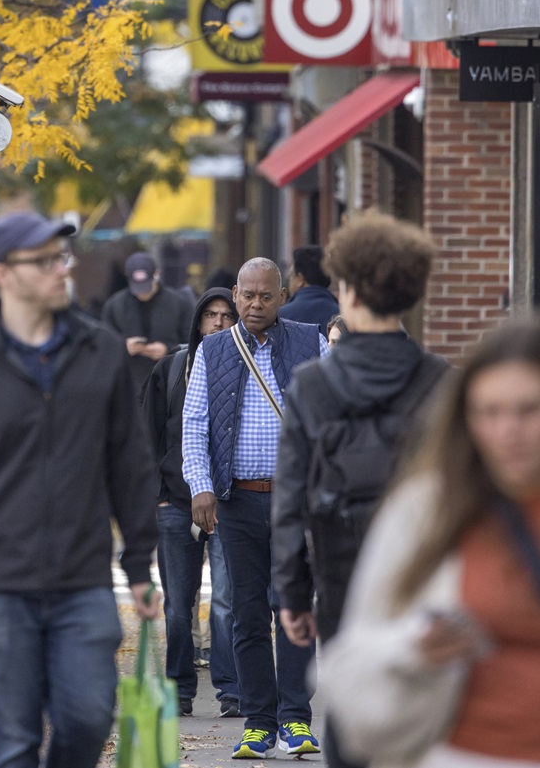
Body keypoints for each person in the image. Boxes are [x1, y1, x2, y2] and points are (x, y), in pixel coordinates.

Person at [0, 211, 159, 768]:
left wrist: (140, 564)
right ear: (1, 273)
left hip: (83, 583)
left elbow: (130, 464)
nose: (59, 271)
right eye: (43, 261)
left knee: (89, 717)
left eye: (60, 258)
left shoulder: (103, 353)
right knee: (14, 744)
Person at [271, 213, 450, 768]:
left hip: (342, 571)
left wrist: (293, 595)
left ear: (345, 288)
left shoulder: (313, 385)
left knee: (352, 723)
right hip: (425, 574)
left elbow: (291, 497)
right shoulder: (439, 380)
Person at [324, 318, 540, 768]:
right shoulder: (427, 510)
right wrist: (412, 648)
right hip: (461, 753)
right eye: (489, 412)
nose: (508, 432)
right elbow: (350, 664)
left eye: (527, 410)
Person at [182, 257, 325, 760]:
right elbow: (194, 423)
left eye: (266, 295)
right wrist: (200, 487)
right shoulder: (214, 349)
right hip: (236, 500)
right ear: (235, 295)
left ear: (282, 296)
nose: (256, 304)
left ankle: (297, 721)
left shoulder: (311, 342)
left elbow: (332, 418)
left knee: (294, 610)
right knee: (245, 614)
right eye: (248, 295)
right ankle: (259, 723)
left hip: (295, 501)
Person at [144, 287, 240, 718]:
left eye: (226, 315)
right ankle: (179, 690)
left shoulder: (247, 367)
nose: (219, 322)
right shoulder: (172, 368)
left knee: (226, 603)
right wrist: (159, 498)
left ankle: (232, 691)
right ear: (198, 320)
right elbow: (147, 438)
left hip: (230, 503)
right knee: (178, 606)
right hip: (177, 503)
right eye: (211, 315)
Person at [101, 251, 194, 400]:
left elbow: (191, 342)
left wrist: (168, 350)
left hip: (168, 384)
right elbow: (103, 346)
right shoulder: (115, 305)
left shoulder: (178, 303)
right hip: (128, 387)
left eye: (146, 285)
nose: (142, 293)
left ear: (156, 274)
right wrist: (123, 347)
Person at [279, 246, 339, 334]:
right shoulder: (343, 314)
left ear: (300, 279)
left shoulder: (280, 317)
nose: (289, 283)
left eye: (291, 276)